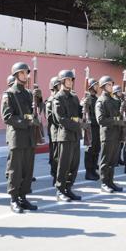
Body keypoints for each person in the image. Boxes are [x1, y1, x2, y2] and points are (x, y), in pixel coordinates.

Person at [1, 62, 41, 213]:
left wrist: (39, 98)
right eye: (22, 73)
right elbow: (7, 117)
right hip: (17, 136)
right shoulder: (9, 94)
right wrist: (27, 122)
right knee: (15, 170)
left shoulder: (29, 93)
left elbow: (37, 111)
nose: (25, 75)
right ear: (16, 75)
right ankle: (14, 199)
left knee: (27, 169)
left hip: (29, 137)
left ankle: (23, 197)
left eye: (26, 73)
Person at [52, 70, 83, 202]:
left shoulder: (74, 97)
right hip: (65, 136)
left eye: (71, 80)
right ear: (62, 81)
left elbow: (79, 115)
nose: (70, 82)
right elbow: (62, 119)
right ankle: (60, 190)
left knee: (74, 165)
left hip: (75, 136)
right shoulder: (58, 98)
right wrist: (79, 125)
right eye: (68, 79)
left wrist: (84, 106)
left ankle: (68, 188)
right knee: (64, 165)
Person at [96, 76, 124, 193]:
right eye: (108, 85)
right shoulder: (101, 101)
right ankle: (104, 183)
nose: (111, 87)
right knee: (105, 160)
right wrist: (116, 121)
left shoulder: (114, 101)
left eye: (112, 85)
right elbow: (101, 119)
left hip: (116, 134)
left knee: (113, 161)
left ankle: (110, 181)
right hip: (107, 134)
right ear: (102, 86)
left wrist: (124, 105)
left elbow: (121, 114)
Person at [83, 77, 101, 181]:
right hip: (90, 127)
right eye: (95, 85)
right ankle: (88, 172)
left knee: (96, 149)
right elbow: (83, 113)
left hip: (97, 127)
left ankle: (93, 169)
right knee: (90, 150)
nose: (97, 87)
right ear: (90, 86)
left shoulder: (97, 98)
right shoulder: (87, 98)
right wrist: (84, 103)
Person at [45, 76, 61, 186]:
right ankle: (55, 176)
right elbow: (50, 117)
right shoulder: (51, 100)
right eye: (60, 84)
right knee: (55, 156)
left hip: (61, 132)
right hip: (55, 132)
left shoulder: (61, 98)